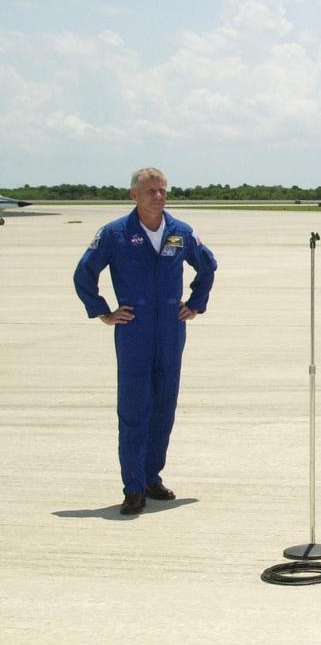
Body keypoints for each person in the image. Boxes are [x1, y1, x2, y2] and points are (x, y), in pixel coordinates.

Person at [73, 167, 217, 515]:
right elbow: (84, 273)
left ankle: (152, 476)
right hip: (134, 330)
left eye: (162, 190)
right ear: (134, 195)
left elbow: (208, 266)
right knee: (134, 409)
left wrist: (196, 303)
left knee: (164, 408)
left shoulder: (180, 233)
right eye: (150, 190)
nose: (158, 196)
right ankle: (133, 487)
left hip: (170, 329)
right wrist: (103, 311)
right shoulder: (114, 233)